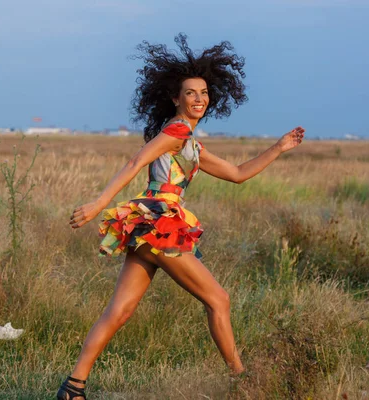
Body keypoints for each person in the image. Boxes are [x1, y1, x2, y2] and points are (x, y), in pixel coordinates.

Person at [57, 34, 305, 400]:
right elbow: (134, 162)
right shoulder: (176, 131)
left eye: (204, 93)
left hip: (147, 227)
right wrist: (98, 204)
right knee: (218, 300)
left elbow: (237, 173)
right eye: (190, 92)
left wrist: (279, 148)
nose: (199, 99)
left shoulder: (190, 142)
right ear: (176, 98)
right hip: (159, 224)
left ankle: (72, 387)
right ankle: (245, 383)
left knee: (120, 312)